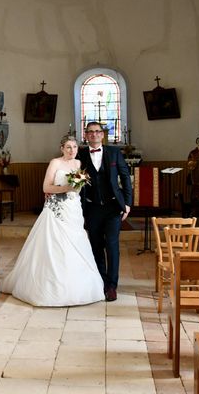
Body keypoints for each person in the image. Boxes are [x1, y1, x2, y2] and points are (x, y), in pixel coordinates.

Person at [2, 135, 105, 307]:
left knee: (75, 243)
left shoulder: (79, 164)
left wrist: (76, 189)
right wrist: (67, 188)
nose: (72, 150)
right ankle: (47, 288)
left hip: (73, 209)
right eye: (68, 147)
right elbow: (46, 187)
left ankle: (77, 288)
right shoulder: (55, 163)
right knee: (54, 245)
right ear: (62, 148)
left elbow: (79, 189)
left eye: (74, 147)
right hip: (56, 210)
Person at [78, 122, 132, 302]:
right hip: (91, 207)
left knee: (112, 245)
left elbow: (125, 177)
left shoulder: (114, 153)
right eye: (90, 132)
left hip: (112, 207)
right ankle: (101, 281)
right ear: (86, 135)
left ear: (103, 135)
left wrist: (128, 203)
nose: (94, 135)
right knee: (96, 246)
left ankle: (112, 286)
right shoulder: (80, 154)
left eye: (97, 132)